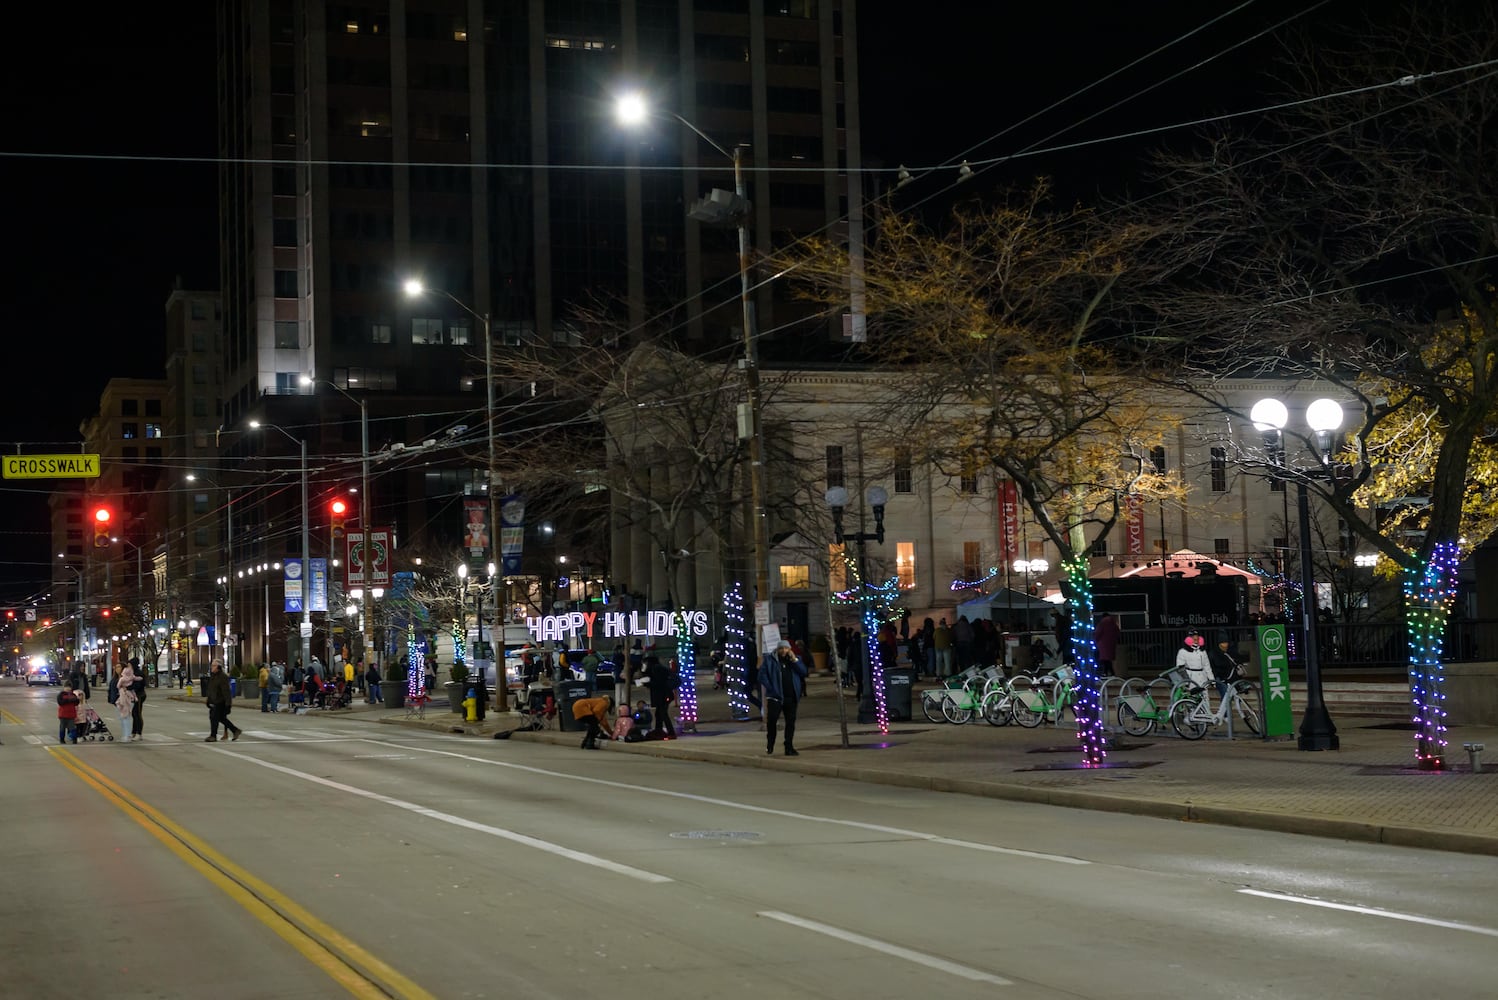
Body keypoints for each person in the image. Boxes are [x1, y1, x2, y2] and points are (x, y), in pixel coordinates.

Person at [761, 639, 807, 757]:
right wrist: (771, 688)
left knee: (790, 723)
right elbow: (762, 675)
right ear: (777, 649)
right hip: (775, 697)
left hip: (791, 697)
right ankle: (770, 743)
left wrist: (795, 660)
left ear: (789, 649)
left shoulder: (794, 660)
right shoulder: (770, 660)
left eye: (786, 648)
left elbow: (803, 672)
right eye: (781, 648)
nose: (784, 651)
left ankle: (789, 746)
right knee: (772, 721)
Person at [204, 660, 242, 741]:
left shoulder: (223, 677)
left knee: (215, 718)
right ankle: (235, 730)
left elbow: (226, 691)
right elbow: (211, 689)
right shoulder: (213, 676)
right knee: (220, 718)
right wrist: (208, 699)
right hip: (213, 701)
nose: (212, 667)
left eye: (213, 666)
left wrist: (228, 704)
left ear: (218, 667)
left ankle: (213, 736)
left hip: (220, 701)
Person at [643, 654, 676, 739]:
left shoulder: (656, 669)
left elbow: (658, 683)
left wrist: (647, 684)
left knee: (663, 713)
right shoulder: (657, 668)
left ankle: (670, 732)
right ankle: (659, 731)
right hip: (663, 695)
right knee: (659, 714)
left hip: (663, 695)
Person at [1207, 630, 1245, 701]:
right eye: (1223, 643)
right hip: (1220, 678)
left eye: (1226, 642)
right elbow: (1212, 668)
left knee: (1233, 697)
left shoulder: (1229, 652)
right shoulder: (1213, 654)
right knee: (1225, 696)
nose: (1225, 645)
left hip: (1229, 678)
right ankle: (1226, 712)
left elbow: (1237, 660)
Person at [112, 663, 138, 744]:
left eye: (119, 667)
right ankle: (124, 735)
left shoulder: (128, 678)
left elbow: (134, 687)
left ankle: (127, 735)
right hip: (119, 701)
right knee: (122, 718)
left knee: (126, 718)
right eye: (116, 667)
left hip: (128, 699)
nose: (117, 669)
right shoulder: (115, 679)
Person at [1094, 612, 1121, 677]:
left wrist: (1096, 640)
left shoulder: (1102, 623)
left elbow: (1098, 633)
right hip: (1112, 643)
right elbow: (1117, 632)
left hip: (1103, 643)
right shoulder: (1113, 623)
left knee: (1105, 659)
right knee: (1108, 659)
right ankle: (1109, 673)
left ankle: (1107, 673)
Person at [128, 657, 147, 740]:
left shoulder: (139, 673)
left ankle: (139, 733)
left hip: (139, 695)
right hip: (134, 695)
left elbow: (138, 686)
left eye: (129, 665)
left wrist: (130, 687)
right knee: (134, 714)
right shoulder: (132, 673)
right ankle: (134, 732)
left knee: (137, 714)